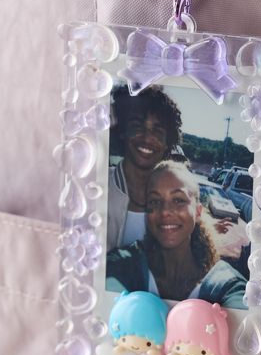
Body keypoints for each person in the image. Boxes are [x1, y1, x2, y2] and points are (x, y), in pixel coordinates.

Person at [106, 161, 247, 309]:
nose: (165, 211)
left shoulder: (225, 284)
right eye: (155, 201)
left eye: (178, 200)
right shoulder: (125, 264)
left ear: (198, 212)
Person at [107, 85, 183, 251]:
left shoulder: (177, 201)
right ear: (123, 131)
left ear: (167, 142)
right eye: (137, 125)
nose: (148, 138)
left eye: (158, 130)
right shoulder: (98, 185)